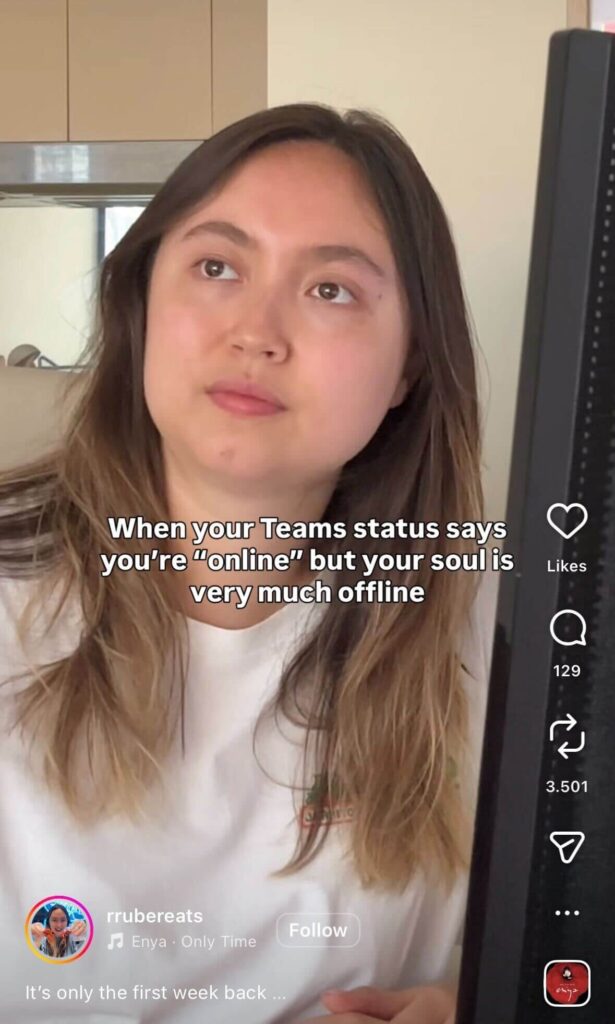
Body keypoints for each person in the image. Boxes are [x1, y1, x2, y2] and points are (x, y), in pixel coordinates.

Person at [0, 103, 498, 1022]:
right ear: (141, 305)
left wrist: (469, 1001)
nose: (256, 333)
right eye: (217, 267)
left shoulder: (500, 629)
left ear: (407, 370)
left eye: (331, 290)